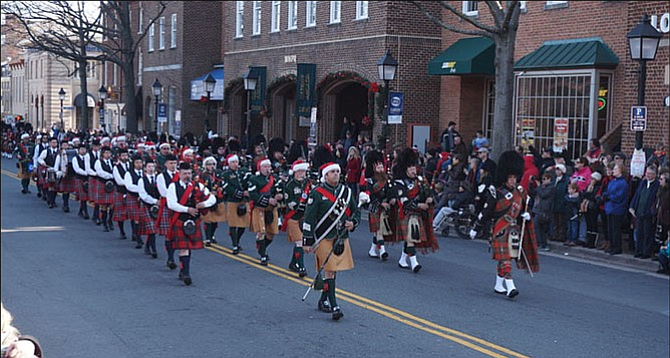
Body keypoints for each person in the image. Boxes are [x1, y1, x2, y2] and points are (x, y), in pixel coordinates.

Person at [470, 150, 540, 299]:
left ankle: (498, 284)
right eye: (510, 178)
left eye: (515, 177)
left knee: (506, 258)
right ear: (505, 177)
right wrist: (476, 227)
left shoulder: (520, 192)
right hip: (500, 229)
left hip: (514, 229)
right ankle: (510, 287)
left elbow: (526, 206)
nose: (513, 181)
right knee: (505, 258)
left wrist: (527, 215)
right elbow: (486, 211)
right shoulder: (497, 192)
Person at [303, 162, 361, 320]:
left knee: (332, 271)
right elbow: (309, 217)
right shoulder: (316, 193)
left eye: (337, 171)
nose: (336, 174)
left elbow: (356, 211)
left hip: (340, 236)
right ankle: (335, 305)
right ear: (326, 175)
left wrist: (353, 223)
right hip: (323, 236)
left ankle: (323, 300)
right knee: (329, 269)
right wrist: (307, 241)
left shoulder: (346, 192)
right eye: (332, 172)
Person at [166, 162, 216, 285]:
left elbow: (212, 198)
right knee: (183, 248)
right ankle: (186, 274)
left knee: (187, 248)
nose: (187, 176)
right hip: (180, 220)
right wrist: (187, 209)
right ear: (179, 173)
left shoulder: (198, 186)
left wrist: (204, 204)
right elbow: (171, 204)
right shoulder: (173, 186)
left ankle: (183, 270)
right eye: (184, 174)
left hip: (193, 222)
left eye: (189, 173)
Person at [392, 148, 439, 273]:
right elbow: (404, 201)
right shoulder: (399, 182)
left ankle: (403, 259)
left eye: (414, 167)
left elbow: (427, 192)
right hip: (406, 212)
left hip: (418, 213)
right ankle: (414, 262)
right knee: (411, 237)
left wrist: (429, 198)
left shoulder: (419, 180)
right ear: (405, 169)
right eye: (411, 168)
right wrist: (419, 205)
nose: (413, 170)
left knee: (410, 237)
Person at [248, 158, 284, 266]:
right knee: (261, 231)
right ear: (260, 168)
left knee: (271, 233)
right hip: (259, 207)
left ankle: (261, 247)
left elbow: (281, 190)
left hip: (271, 208)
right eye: (265, 167)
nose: (267, 169)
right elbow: (253, 194)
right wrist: (267, 200)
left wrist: (280, 196)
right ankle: (263, 255)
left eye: (268, 166)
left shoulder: (275, 179)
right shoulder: (254, 179)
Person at [360, 150, 394, 260]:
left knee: (379, 231)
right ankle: (382, 250)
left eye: (381, 167)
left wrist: (391, 200)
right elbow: (371, 195)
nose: (380, 169)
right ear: (373, 168)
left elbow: (391, 192)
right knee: (379, 229)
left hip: (385, 208)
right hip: (375, 207)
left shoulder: (387, 179)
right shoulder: (370, 181)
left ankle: (373, 249)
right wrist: (380, 203)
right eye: (378, 167)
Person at [283, 160, 312, 277]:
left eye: (303, 171)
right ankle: (301, 266)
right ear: (295, 172)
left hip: (305, 218)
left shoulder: (309, 184)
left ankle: (293, 263)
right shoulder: (290, 185)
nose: (301, 174)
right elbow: (288, 201)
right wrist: (299, 205)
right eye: (299, 171)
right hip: (294, 217)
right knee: (300, 242)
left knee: (299, 242)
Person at [221, 154, 251, 255]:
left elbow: (249, 182)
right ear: (229, 163)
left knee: (243, 224)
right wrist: (240, 193)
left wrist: (247, 191)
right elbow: (227, 187)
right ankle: (234, 245)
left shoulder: (243, 172)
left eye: (236, 162)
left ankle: (237, 240)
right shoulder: (226, 175)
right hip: (232, 200)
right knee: (233, 223)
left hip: (243, 201)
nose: (235, 164)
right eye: (233, 162)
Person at [629, 165, 659, 259]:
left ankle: (645, 252)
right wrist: (632, 206)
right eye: (647, 173)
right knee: (639, 232)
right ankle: (638, 250)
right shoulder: (643, 183)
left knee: (647, 234)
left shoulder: (656, 185)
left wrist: (652, 211)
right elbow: (637, 195)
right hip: (639, 211)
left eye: (650, 174)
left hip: (648, 213)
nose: (648, 175)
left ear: (655, 175)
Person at [156, 153, 180, 269]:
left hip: (179, 207)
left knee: (177, 234)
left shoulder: (180, 175)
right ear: (166, 164)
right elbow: (163, 192)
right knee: (168, 235)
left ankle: (175, 257)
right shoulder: (161, 177)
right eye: (171, 163)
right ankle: (170, 258)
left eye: (175, 163)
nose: (173, 165)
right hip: (167, 206)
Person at [199, 156, 227, 247]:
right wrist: (209, 193)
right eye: (209, 164)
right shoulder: (202, 175)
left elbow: (223, 184)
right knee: (208, 219)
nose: (211, 166)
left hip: (217, 199)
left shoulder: (218, 174)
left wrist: (220, 189)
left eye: (213, 164)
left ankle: (212, 235)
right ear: (205, 165)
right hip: (207, 199)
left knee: (215, 220)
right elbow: (200, 187)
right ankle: (207, 238)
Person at [602, 163, 629, 255]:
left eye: (616, 169)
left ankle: (617, 247)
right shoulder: (613, 181)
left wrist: (609, 197)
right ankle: (612, 245)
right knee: (610, 229)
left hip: (617, 208)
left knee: (615, 229)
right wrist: (605, 196)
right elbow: (607, 191)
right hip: (609, 207)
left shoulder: (623, 183)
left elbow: (619, 196)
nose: (613, 171)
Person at [138, 159, 160, 258]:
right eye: (149, 167)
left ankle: (147, 246)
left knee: (153, 229)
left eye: (152, 166)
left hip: (157, 207)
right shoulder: (141, 180)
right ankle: (154, 250)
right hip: (147, 205)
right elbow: (143, 195)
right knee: (151, 228)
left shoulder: (158, 179)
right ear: (145, 169)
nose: (151, 169)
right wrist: (154, 201)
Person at [124, 155, 145, 249]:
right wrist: (141, 189)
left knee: (139, 218)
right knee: (136, 217)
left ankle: (135, 234)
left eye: (140, 162)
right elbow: (129, 186)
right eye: (137, 163)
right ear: (133, 163)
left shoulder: (145, 173)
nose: (139, 165)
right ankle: (138, 238)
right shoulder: (129, 174)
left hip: (143, 198)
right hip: (133, 196)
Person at [532, 172, 556, 251]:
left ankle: (542, 244)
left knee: (541, 228)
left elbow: (543, 194)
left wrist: (539, 187)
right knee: (538, 227)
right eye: (542, 179)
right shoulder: (542, 187)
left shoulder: (551, 188)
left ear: (549, 179)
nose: (543, 181)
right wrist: (531, 184)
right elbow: (533, 192)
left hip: (545, 210)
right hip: (539, 209)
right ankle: (541, 243)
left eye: (545, 179)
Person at [112, 148, 130, 240]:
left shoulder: (130, 165)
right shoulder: (116, 167)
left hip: (130, 193)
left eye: (126, 155)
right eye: (123, 155)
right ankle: (122, 231)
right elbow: (118, 181)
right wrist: (129, 184)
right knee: (120, 214)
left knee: (132, 214)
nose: (125, 157)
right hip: (120, 191)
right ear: (119, 157)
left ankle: (135, 234)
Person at [72, 143, 90, 220]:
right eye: (81, 149)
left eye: (84, 149)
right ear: (78, 151)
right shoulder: (75, 158)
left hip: (87, 179)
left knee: (85, 196)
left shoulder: (88, 158)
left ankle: (80, 210)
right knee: (83, 196)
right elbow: (77, 169)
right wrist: (86, 173)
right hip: (79, 178)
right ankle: (85, 212)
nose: (83, 151)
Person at [551, 164, 569, 243]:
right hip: (554, 202)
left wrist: (564, 200)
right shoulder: (554, 180)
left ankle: (562, 235)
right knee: (555, 220)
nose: (557, 172)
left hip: (562, 202)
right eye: (556, 170)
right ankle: (555, 234)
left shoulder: (566, 180)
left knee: (561, 220)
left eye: (559, 170)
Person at [564, 183, 582, 247]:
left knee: (574, 227)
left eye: (570, 189)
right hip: (568, 213)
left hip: (574, 214)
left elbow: (576, 203)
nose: (569, 190)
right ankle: (568, 238)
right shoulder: (567, 196)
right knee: (569, 227)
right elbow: (565, 200)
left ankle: (574, 240)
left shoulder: (577, 197)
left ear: (574, 190)